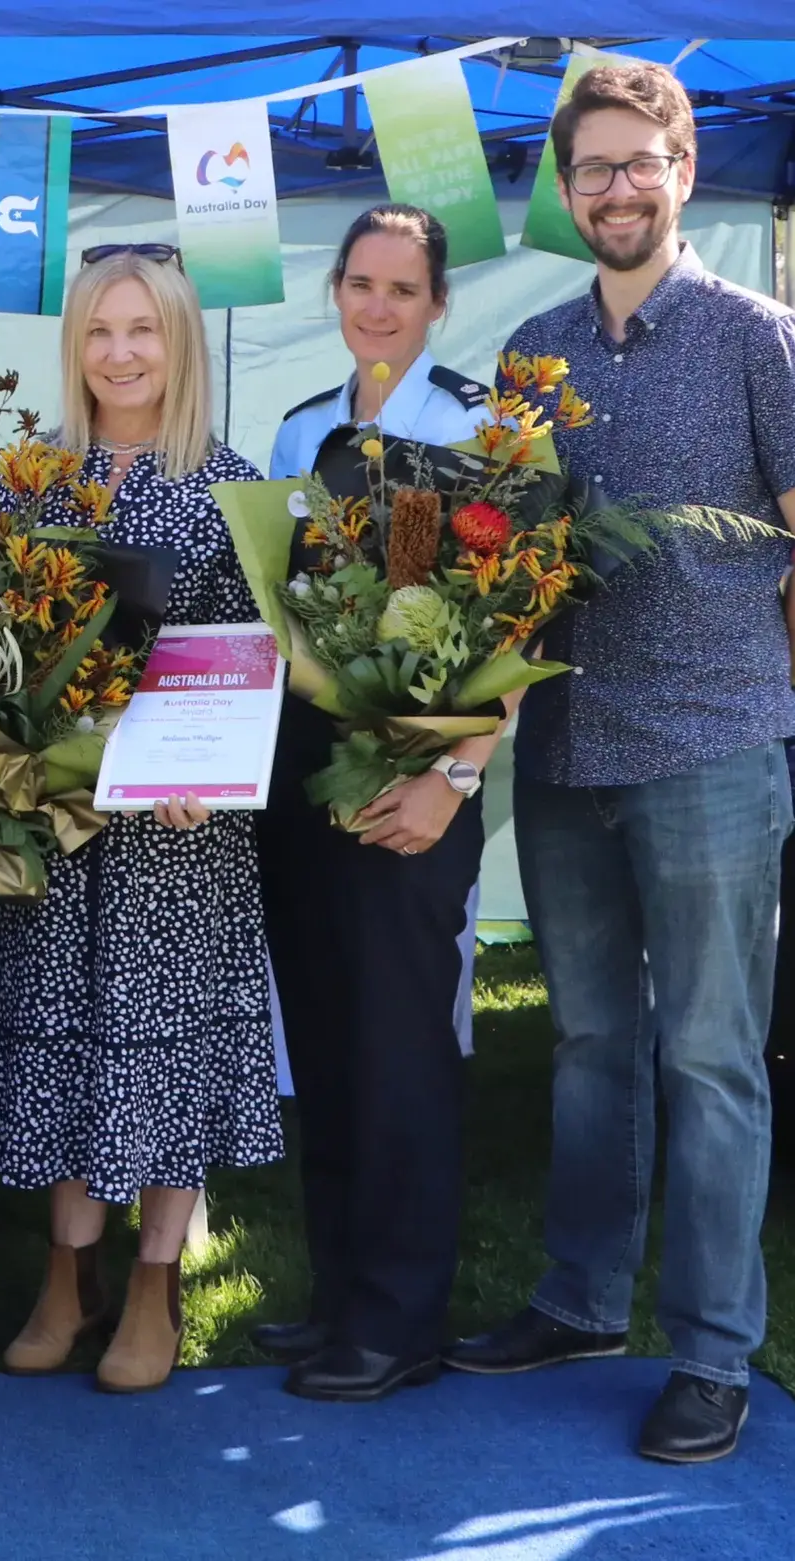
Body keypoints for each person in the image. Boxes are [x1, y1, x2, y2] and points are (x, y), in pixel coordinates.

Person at [442, 63, 795, 1465]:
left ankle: (713, 1351)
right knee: (591, 1045)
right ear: (566, 189)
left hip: (713, 741)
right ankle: (584, 1299)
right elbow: (504, 560)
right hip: (569, 746)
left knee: (711, 1056)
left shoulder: (761, 339)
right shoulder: (535, 350)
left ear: (683, 170)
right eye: (587, 170)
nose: (611, 190)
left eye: (633, 163)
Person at [0, 248, 282, 1394]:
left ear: (179, 343)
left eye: (144, 331)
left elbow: (251, 669)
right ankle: (66, 1275)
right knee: (62, 1045)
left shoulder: (232, 491)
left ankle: (154, 1281)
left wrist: (211, 774)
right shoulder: (30, 488)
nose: (121, 353)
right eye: (99, 331)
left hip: (177, 843)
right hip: (53, 834)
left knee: (162, 1057)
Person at [254, 206, 497, 1402]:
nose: (379, 306)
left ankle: (400, 1317)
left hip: (412, 776)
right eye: (360, 283)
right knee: (328, 1035)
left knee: (398, 1041)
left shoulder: (477, 426)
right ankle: (339, 1290)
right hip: (302, 770)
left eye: (404, 288)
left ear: (438, 302)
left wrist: (450, 780)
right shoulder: (302, 428)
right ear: (337, 292)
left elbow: (520, 617)